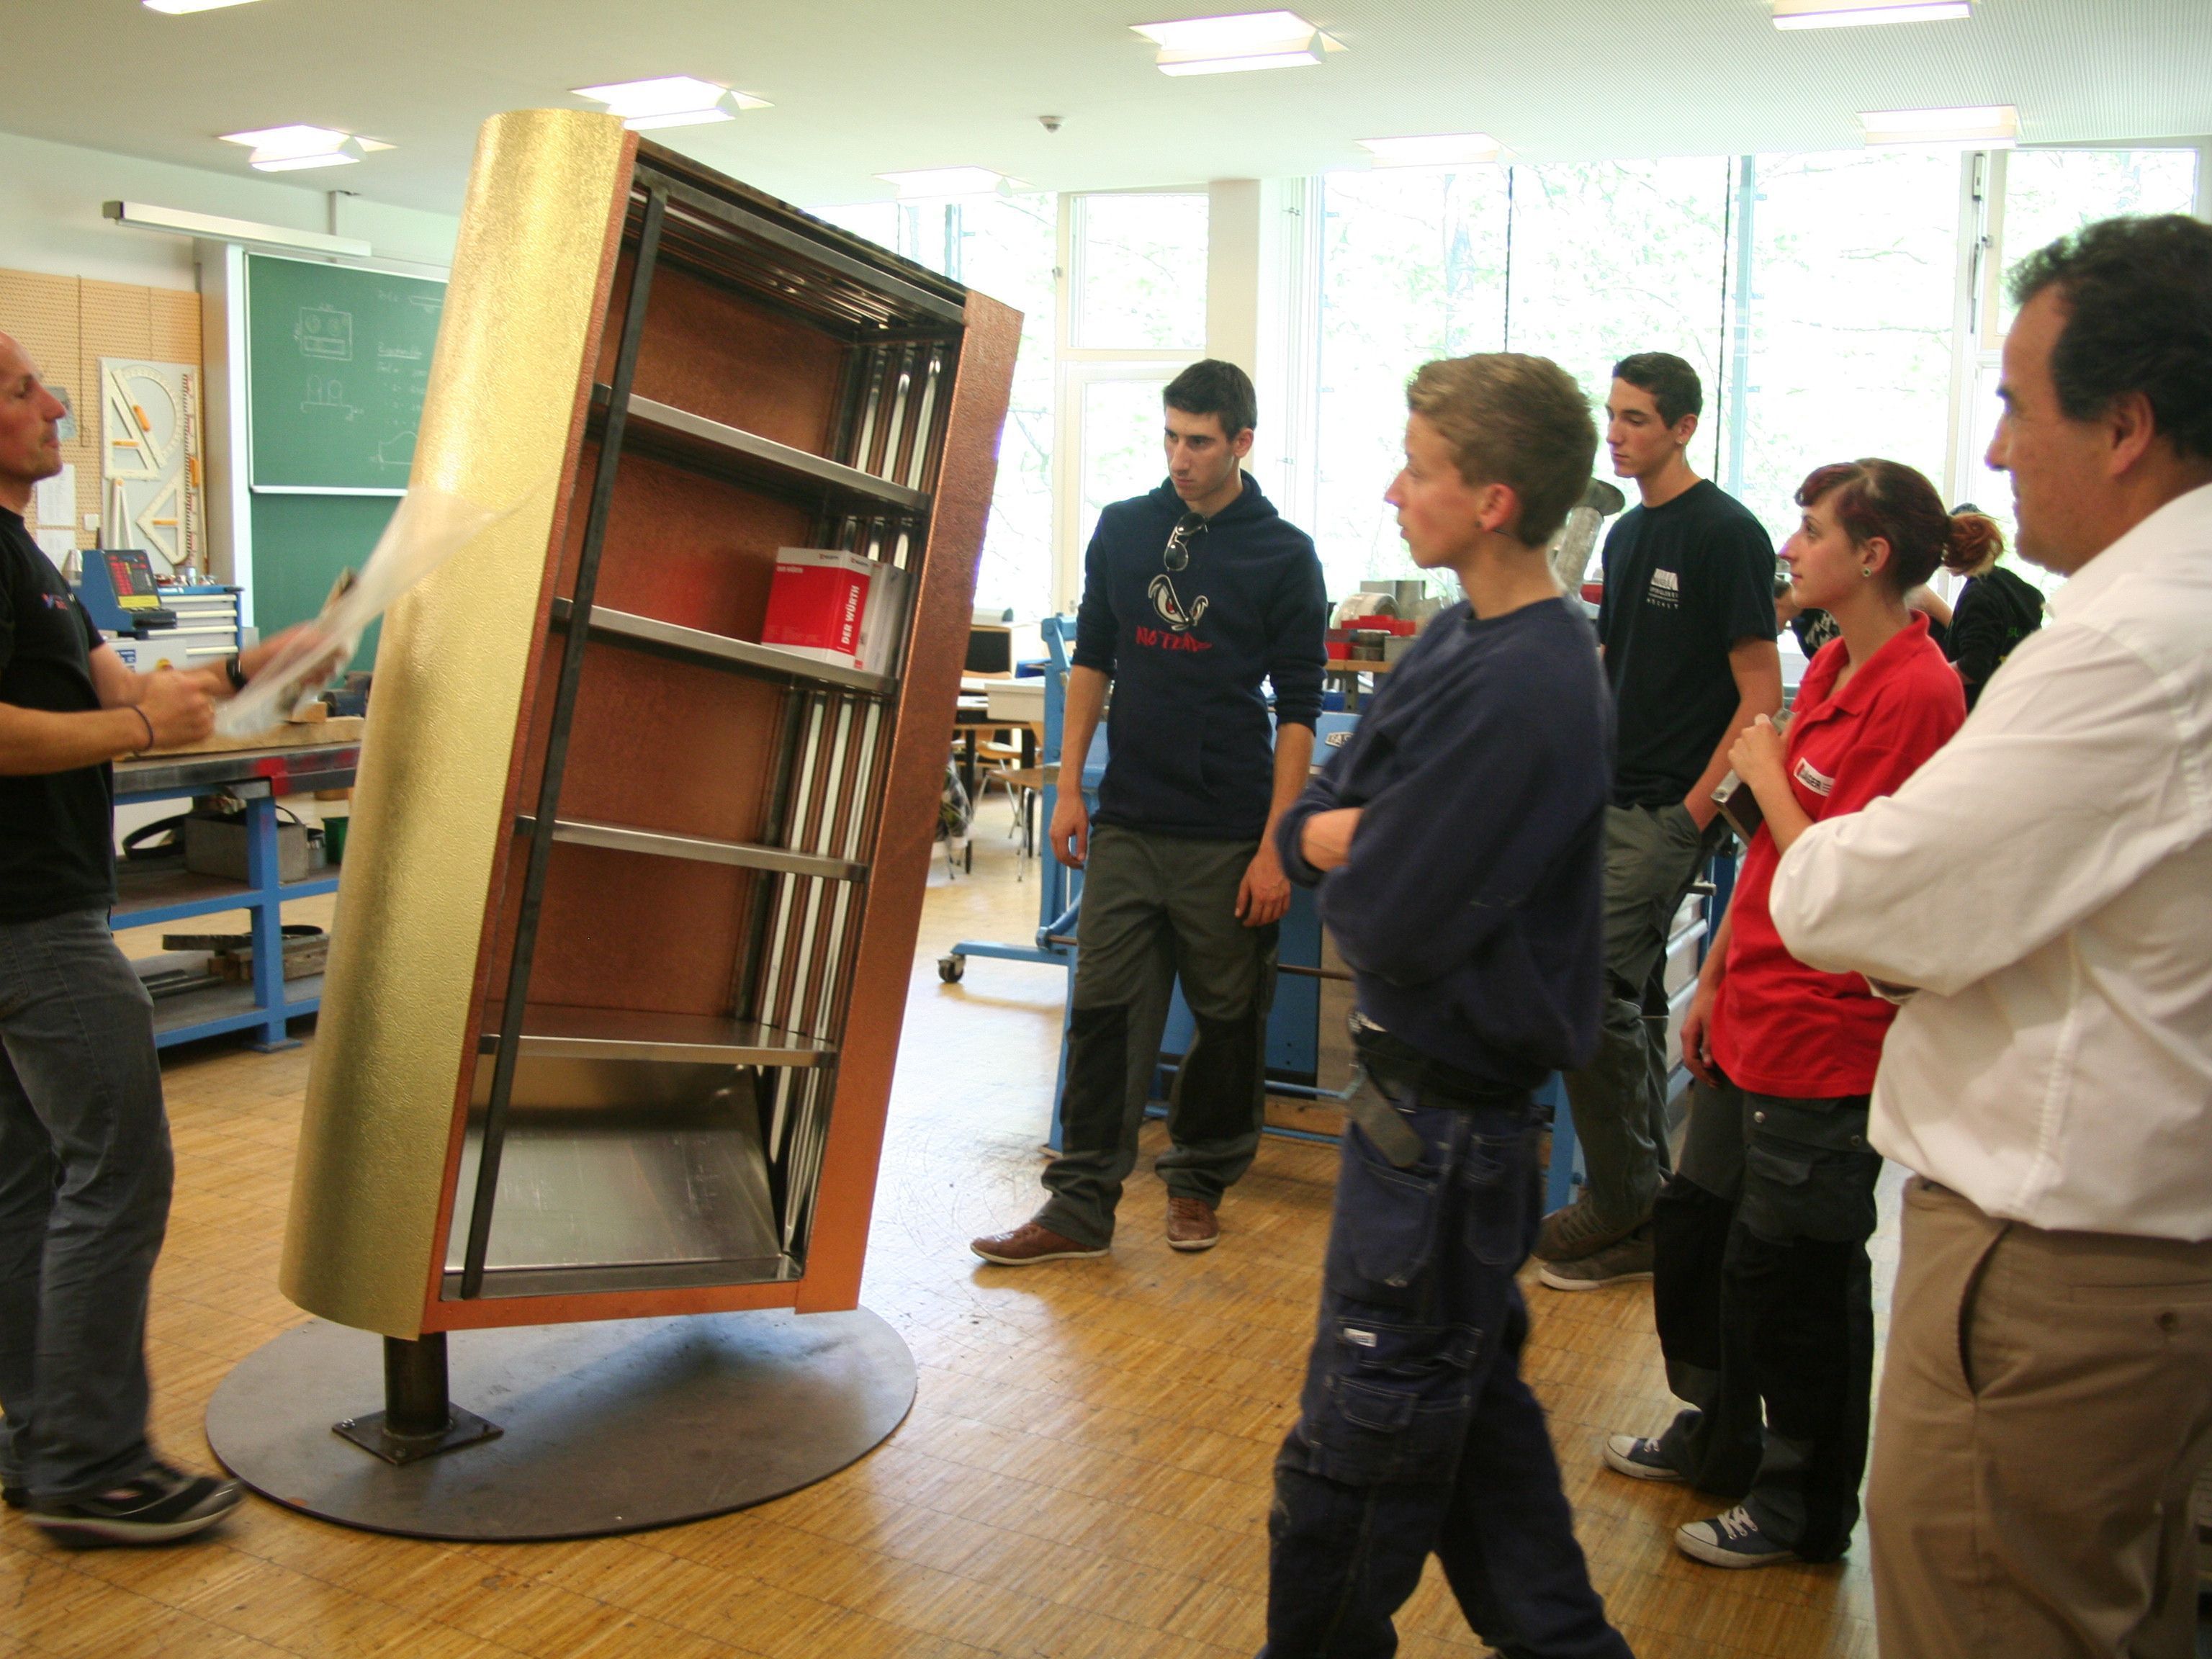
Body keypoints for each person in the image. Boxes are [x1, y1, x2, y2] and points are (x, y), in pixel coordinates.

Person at [1766, 214, 2212, 1656]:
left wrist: (1850, 875)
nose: (2001, 451)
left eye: (2020, 404)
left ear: (2129, 425)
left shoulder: (2125, 644)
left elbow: (1853, 900)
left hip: (2062, 1257)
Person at [1262, 354, 1630, 1659]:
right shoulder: (1457, 638)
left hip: (1446, 1144)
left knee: (1350, 1468)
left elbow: (1387, 912)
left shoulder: (1531, 680)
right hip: (1418, 1127)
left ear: (1490, 497)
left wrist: (1349, 837)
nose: (1392, 487)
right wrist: (1349, 831)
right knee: (1480, 1460)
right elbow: (1317, 817)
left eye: (1416, 465)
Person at [1603, 459, 1968, 1570]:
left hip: (1825, 1035)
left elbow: (1853, 887)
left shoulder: (1916, 693)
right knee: (1704, 1235)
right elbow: (1770, 863)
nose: (1792, 549)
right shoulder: (1832, 675)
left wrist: (1759, 771)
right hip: (1751, 1011)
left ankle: (1802, 1504)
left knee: (1798, 1275)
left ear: (1872, 558)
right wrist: (1710, 983)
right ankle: (1716, 1436)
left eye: (1811, 534)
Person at [0, 331, 320, 1545]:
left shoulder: (27, 557)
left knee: (29, 1178)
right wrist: (133, 736)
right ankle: (89, 1461)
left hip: (36, 908)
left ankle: (42, 1433)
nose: (54, 403)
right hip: (28, 919)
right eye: (22, 388)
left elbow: (118, 693)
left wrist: (247, 666)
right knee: (115, 1173)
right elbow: (82, 728)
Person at [971, 359, 1326, 1264]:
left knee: (1228, 1017)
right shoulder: (1126, 530)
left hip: (1230, 828)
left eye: (1199, 441)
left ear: (1242, 442)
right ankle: (1080, 1202)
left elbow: (1297, 712)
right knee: (1104, 1011)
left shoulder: (1283, 554)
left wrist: (1277, 847)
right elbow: (1094, 656)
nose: (1180, 457)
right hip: (1130, 815)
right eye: (1170, 436)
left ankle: (1199, 1181)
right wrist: (1068, 786)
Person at [1536, 353, 1781, 1292]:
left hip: (1670, 808)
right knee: (1627, 998)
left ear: (1683, 427)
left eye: (1637, 420)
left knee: (1589, 985)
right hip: (1610, 795)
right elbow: (1619, 666)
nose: (1619, 434)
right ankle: (1646, 1209)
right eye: (1614, 417)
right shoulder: (1630, 535)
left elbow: (1758, 692)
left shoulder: (1727, 535)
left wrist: (1694, 814)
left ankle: (1624, 1194)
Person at [1915, 505, 2043, 709]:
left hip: (1982, 707)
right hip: (2016, 700)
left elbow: (1973, 668)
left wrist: (1924, 680)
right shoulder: (2016, 587)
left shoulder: (1978, 597)